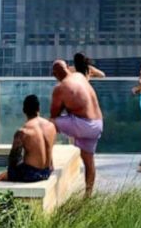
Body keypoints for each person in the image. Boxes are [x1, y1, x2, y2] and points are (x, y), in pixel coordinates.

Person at [51, 59, 103, 196]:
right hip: (97, 123)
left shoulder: (60, 88)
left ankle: (46, 162)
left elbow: (54, 115)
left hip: (83, 124)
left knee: (49, 124)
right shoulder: (80, 76)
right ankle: (88, 196)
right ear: (68, 68)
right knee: (89, 160)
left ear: (54, 74)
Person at [0, 95, 56, 183]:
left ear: (24, 110)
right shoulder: (51, 126)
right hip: (47, 172)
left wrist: (9, 174)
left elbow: (13, 158)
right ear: (38, 108)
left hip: (31, 174)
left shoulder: (23, 131)